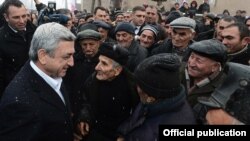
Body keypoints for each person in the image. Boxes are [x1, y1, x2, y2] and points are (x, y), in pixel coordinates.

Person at [0, 22, 76, 140]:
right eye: (66, 56)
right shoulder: (19, 103)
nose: (72, 63)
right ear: (43, 56)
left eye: (72, 55)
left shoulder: (53, 73)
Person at [117, 53, 196, 141]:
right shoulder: (151, 101)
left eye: (138, 85)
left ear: (150, 96)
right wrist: (123, 135)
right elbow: (134, 120)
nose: (136, 88)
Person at [75, 43, 139, 141]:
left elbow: (138, 114)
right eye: (99, 62)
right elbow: (85, 102)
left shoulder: (133, 87)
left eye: (104, 63)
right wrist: (84, 117)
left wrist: (125, 134)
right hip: (95, 132)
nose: (97, 67)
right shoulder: (92, 81)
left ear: (117, 70)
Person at [0, 0, 36, 96]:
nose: (22, 21)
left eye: (24, 16)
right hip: (14, 91)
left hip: (36, 87)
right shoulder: (1, 39)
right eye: (16, 17)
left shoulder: (35, 31)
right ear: (6, 17)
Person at [64, 29, 102, 116]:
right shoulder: (74, 61)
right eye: (84, 45)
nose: (88, 48)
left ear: (98, 44)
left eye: (91, 44)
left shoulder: (103, 62)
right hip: (76, 105)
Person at [183, 39, 228, 108]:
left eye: (199, 61)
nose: (191, 64)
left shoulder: (223, 88)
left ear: (215, 66)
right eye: (191, 57)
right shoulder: (178, 70)